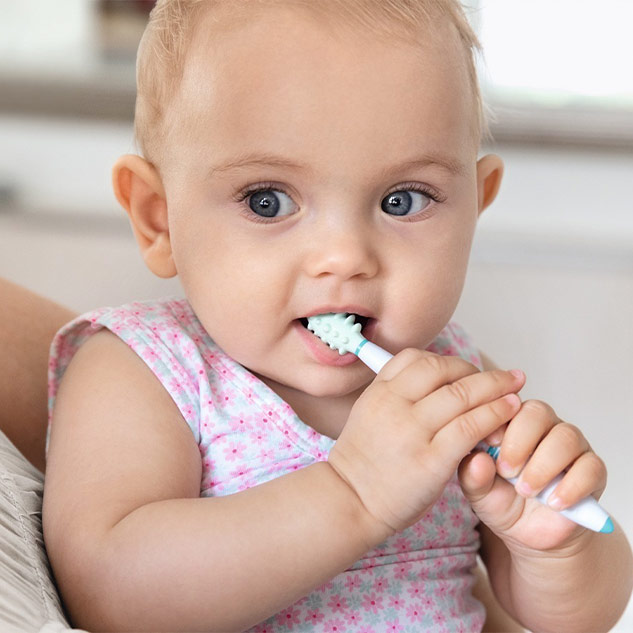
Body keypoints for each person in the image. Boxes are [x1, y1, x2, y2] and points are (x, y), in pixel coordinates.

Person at [40, 0, 633, 631]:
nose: (345, 258)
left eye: (403, 200)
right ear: (159, 218)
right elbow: (112, 596)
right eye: (268, 202)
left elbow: (580, 618)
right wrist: (354, 494)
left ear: (474, 208)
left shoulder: (447, 374)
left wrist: (554, 542)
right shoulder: (145, 371)